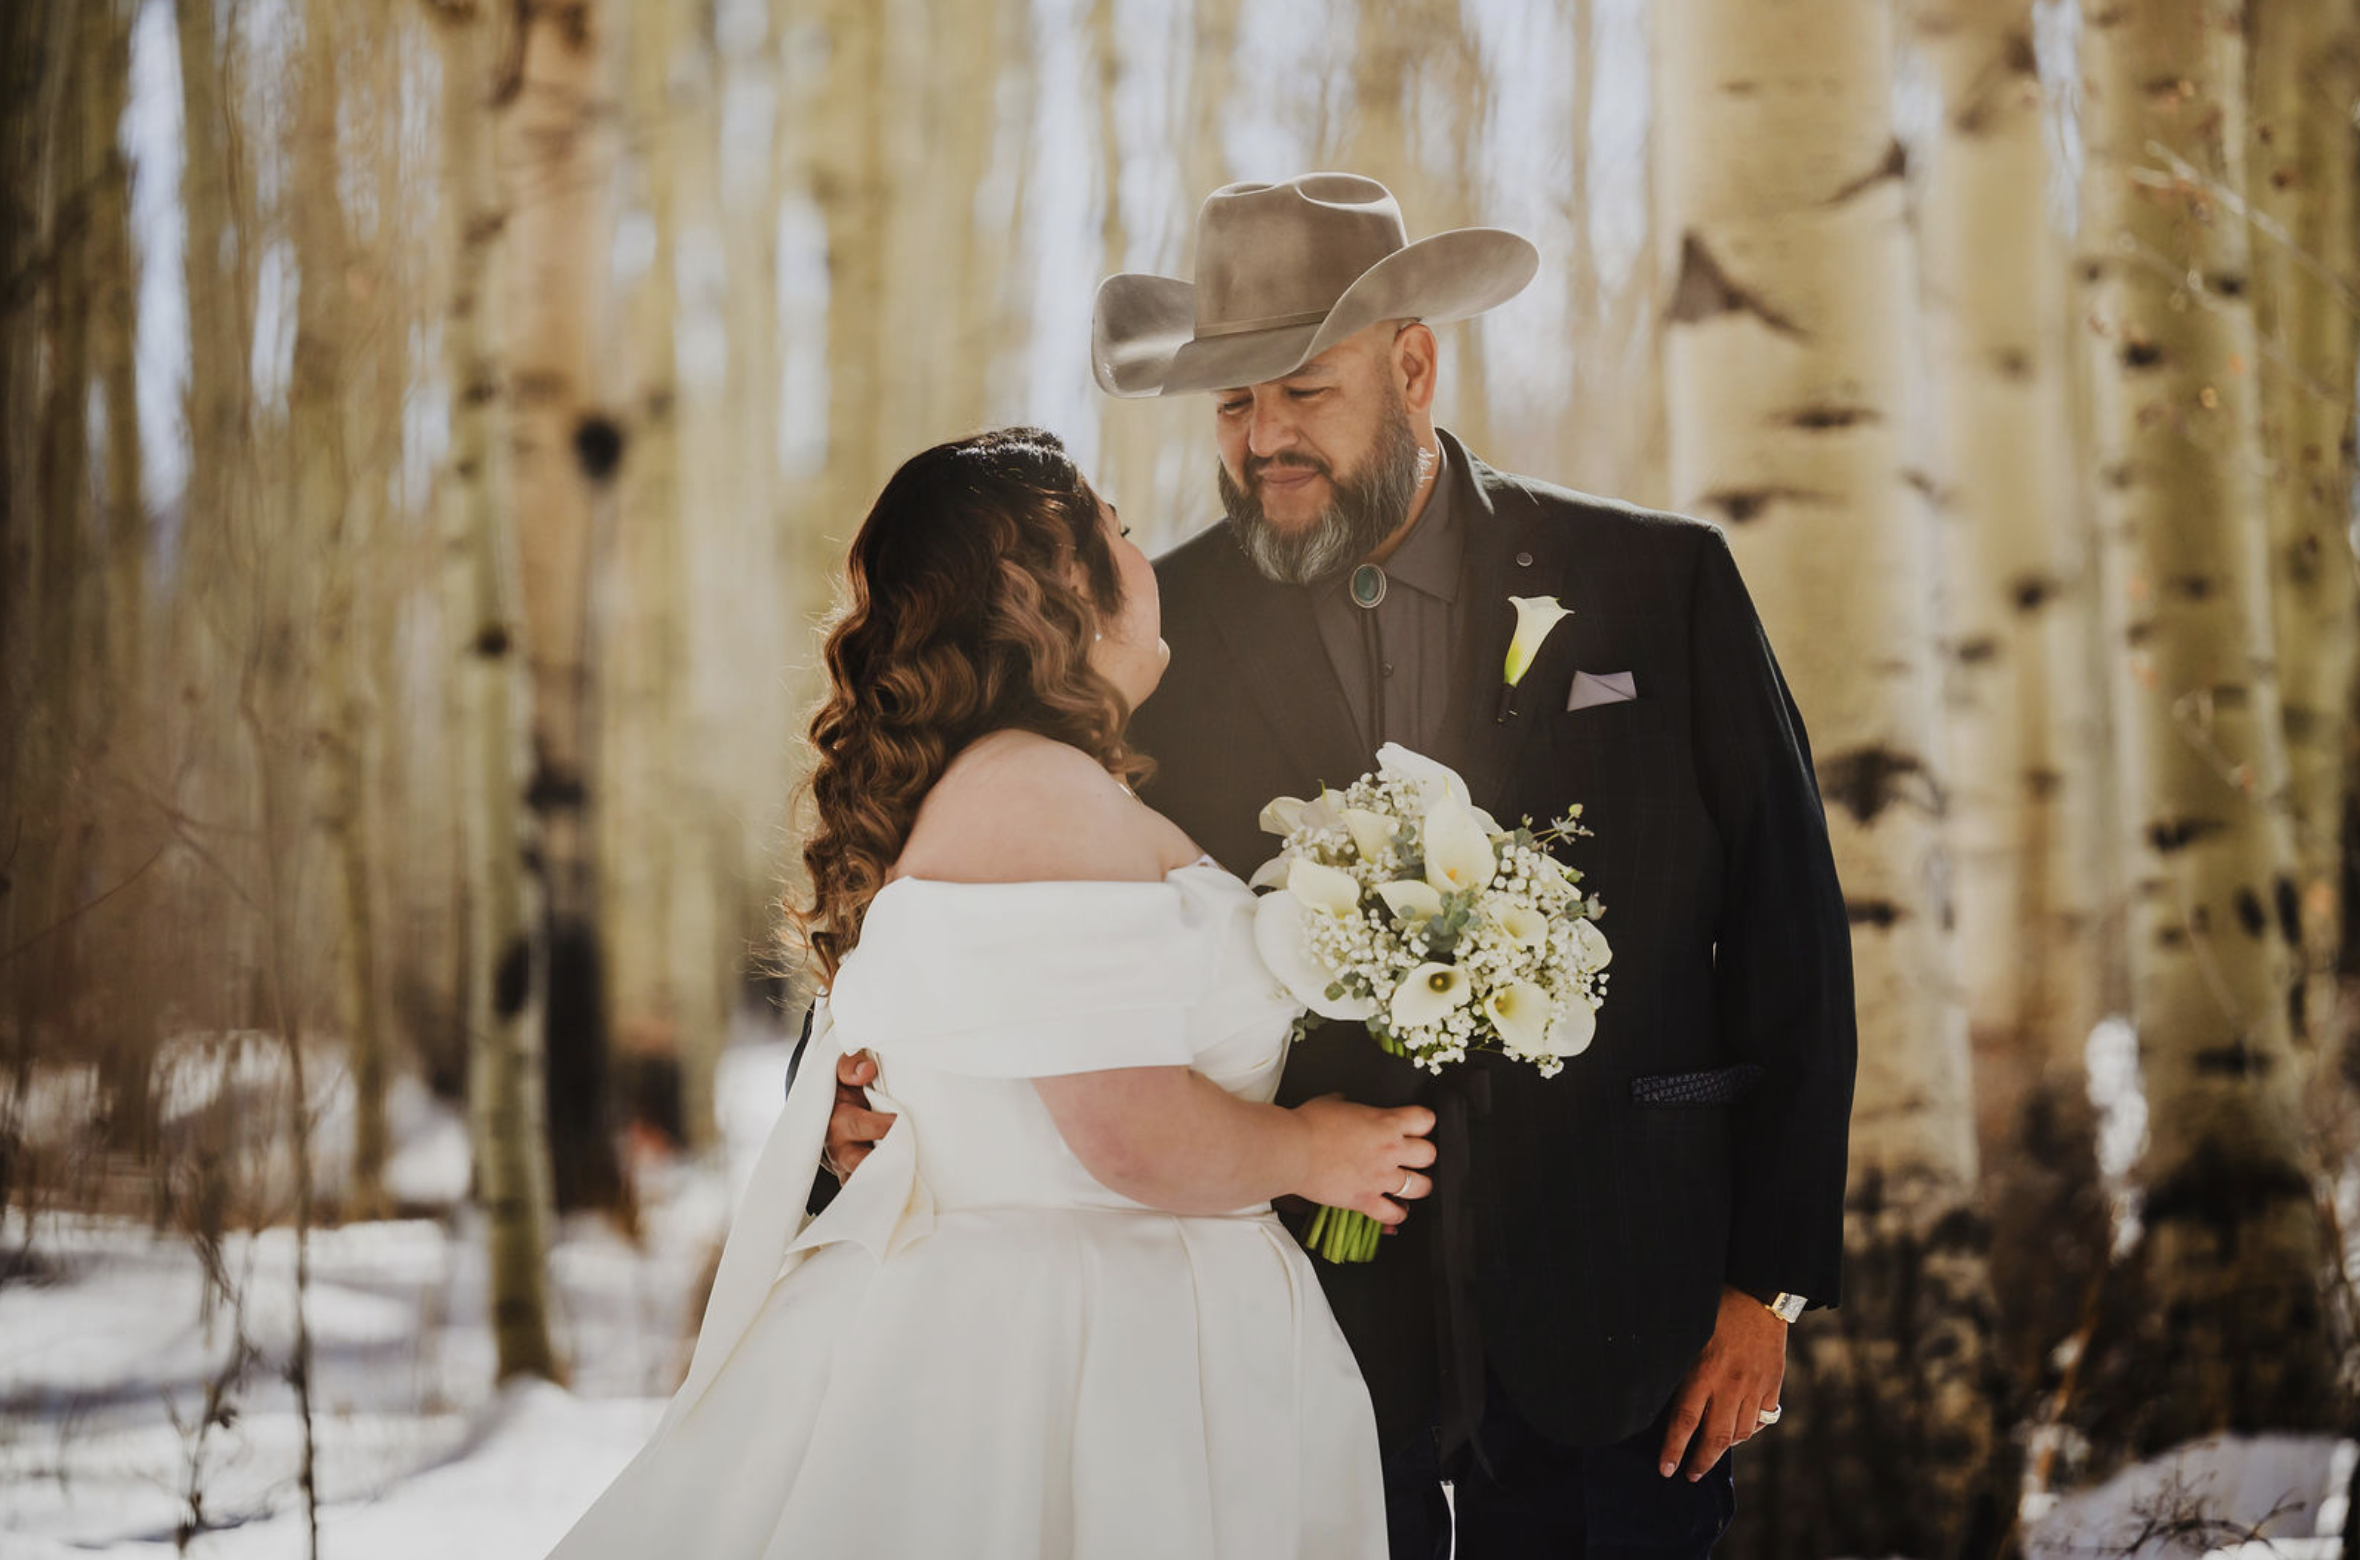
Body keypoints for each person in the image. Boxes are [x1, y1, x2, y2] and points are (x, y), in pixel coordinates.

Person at [824, 172, 1860, 1558]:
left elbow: (1791, 937)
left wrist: (1767, 1286)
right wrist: (849, 1099)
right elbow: (955, 845)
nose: (1264, 443)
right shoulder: (1140, 628)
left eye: (1301, 394)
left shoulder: (1658, 585)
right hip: (1294, 1351)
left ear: (1415, 365)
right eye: (1234, 406)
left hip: (1630, 1313)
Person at [548, 427, 1436, 1560]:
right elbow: (1122, 1125)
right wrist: (1314, 1154)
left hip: (1094, 1323)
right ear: (1054, 586)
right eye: (1115, 526)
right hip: (1076, 1360)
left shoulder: (1022, 786)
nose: (1139, 545)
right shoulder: (1035, 795)